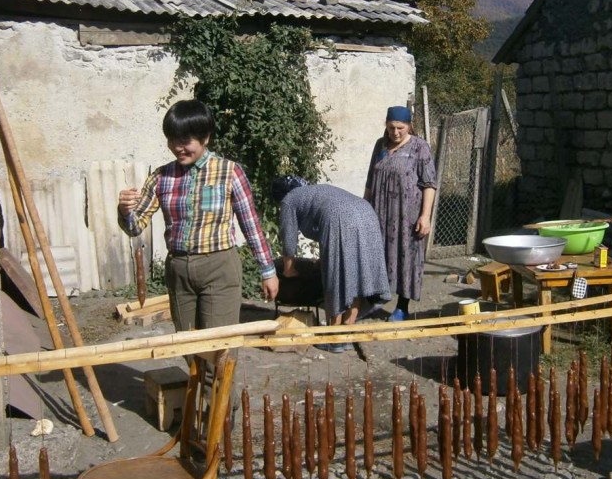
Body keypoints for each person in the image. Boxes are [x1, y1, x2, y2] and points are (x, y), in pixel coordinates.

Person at [117, 100, 279, 332]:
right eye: (172, 140)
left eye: (185, 141)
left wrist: (268, 271)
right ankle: (197, 369)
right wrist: (125, 212)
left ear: (205, 138)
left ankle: (218, 369)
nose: (177, 147)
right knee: (187, 343)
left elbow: (251, 225)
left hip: (219, 267)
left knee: (219, 343)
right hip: (179, 270)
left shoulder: (229, 172)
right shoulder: (162, 177)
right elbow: (135, 226)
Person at [272, 176, 391, 351]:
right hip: (368, 215)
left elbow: (288, 238)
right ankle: (347, 333)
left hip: (340, 217)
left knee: (335, 278)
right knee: (357, 276)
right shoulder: (317, 191)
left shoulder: (289, 199)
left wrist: (289, 270)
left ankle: (334, 336)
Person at [364, 105, 438, 322]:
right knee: (379, 254)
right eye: (390, 128)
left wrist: (425, 216)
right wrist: (364, 209)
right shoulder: (381, 145)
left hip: (408, 216)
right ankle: (375, 299)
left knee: (407, 258)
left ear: (409, 126)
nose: (395, 133)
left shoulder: (419, 147)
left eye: (400, 128)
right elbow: (370, 180)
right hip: (379, 212)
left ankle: (402, 306)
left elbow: (429, 184)